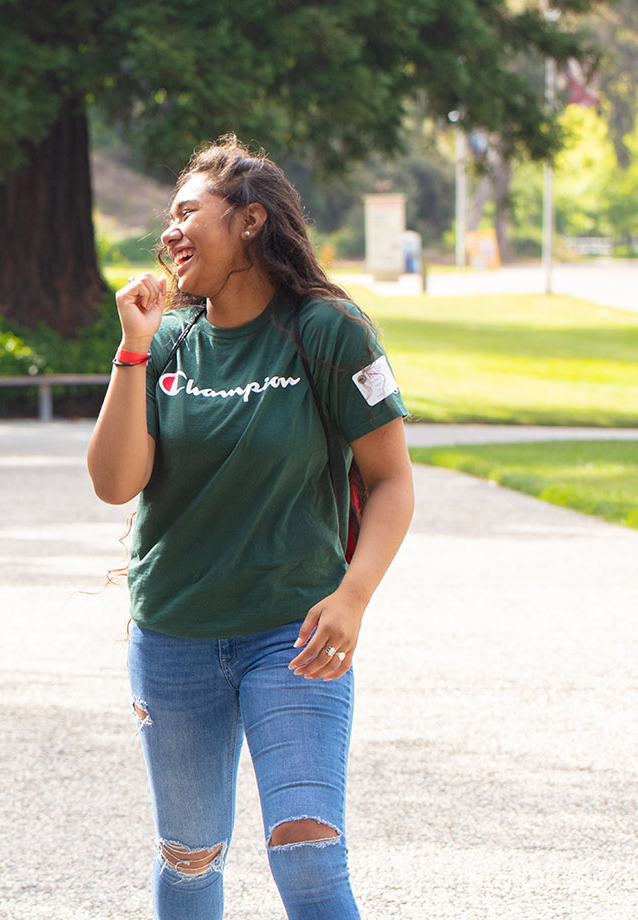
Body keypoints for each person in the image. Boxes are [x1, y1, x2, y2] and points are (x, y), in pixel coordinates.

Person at [86, 136, 414, 919]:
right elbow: (113, 483)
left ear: (251, 221)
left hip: (293, 630)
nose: (169, 232)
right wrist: (132, 351)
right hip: (174, 635)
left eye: (187, 212)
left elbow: (393, 480)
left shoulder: (330, 332)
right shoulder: (166, 343)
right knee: (190, 860)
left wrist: (354, 597)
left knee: (306, 851)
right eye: (168, 217)